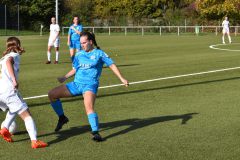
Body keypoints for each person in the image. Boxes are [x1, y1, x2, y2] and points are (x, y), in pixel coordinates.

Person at [48, 31, 129, 142]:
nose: (82, 45)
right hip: (76, 85)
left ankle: (95, 133)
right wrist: (65, 77)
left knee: (89, 108)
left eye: (84, 42)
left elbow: (111, 65)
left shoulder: (99, 53)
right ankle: (62, 118)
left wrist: (122, 78)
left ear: (91, 42)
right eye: (81, 43)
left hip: (90, 86)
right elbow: (76, 69)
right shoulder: (79, 54)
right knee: (52, 94)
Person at [0, 37, 48, 149]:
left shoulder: (2, 58)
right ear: (17, 45)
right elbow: (9, 62)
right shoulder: (13, 56)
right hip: (9, 91)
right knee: (27, 116)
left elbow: (5, 63)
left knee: (14, 108)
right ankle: (34, 141)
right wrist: (14, 80)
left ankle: (5, 128)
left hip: (1, 91)